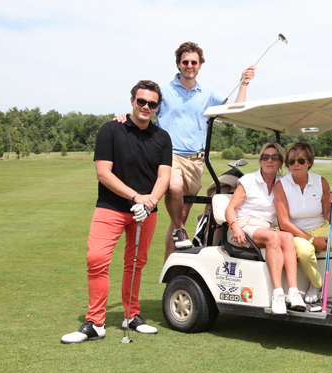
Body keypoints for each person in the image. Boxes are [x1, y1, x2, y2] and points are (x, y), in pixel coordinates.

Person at [116, 42, 255, 259]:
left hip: (196, 161)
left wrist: (244, 83)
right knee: (174, 184)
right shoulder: (165, 90)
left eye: (194, 62)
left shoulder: (208, 93)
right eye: (185, 62)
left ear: (200, 65)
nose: (189, 65)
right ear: (178, 64)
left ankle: (171, 274)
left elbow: (236, 110)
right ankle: (182, 230)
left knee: (178, 217)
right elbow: (145, 109)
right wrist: (125, 117)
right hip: (168, 155)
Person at [61, 81, 172, 344]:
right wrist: (135, 196)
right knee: (96, 259)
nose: (146, 107)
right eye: (141, 101)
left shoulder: (162, 137)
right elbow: (103, 173)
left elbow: (164, 175)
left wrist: (150, 202)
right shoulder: (110, 129)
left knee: (135, 264)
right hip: (111, 207)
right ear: (132, 100)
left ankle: (132, 316)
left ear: (157, 107)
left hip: (145, 212)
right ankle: (95, 323)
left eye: (152, 104)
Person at [224, 143, 306, 315]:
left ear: (281, 163)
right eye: (265, 157)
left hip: (266, 228)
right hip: (243, 226)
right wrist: (235, 227)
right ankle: (278, 294)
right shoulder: (248, 180)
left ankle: (293, 292)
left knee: (288, 238)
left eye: (275, 157)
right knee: (275, 238)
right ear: (260, 161)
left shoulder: (282, 183)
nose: (270, 160)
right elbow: (230, 209)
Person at [274, 142, 332, 304]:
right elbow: (284, 224)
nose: (296, 165)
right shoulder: (281, 185)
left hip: (320, 228)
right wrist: (312, 240)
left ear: (309, 162)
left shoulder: (320, 181)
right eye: (291, 161)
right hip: (296, 233)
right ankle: (317, 284)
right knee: (304, 249)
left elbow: (330, 218)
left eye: (301, 161)